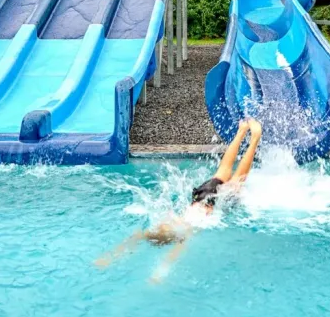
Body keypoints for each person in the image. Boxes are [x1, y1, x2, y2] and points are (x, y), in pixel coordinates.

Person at [94, 118, 263, 279]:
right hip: (200, 197)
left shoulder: (185, 231)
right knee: (223, 170)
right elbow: (137, 240)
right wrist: (109, 257)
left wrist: (158, 273)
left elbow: (172, 254)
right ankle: (241, 131)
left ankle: (255, 137)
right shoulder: (170, 225)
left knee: (237, 179)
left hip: (212, 203)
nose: (162, 223)